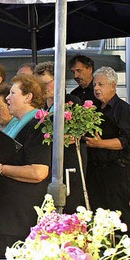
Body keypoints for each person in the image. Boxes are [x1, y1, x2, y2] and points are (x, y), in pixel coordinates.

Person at [0, 74, 51, 258]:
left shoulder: (38, 125)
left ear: (28, 97)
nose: (7, 98)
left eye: (12, 93)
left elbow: (39, 171)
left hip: (21, 216)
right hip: (7, 214)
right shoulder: (15, 125)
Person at [85, 67, 130, 237]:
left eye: (101, 84)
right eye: (94, 84)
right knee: (98, 212)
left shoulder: (123, 109)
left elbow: (128, 140)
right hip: (95, 169)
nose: (96, 88)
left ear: (113, 86)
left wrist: (100, 144)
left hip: (116, 169)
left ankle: (126, 254)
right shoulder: (94, 109)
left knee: (118, 213)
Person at [33, 62, 85, 213]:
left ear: (59, 81)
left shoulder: (71, 101)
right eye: (40, 85)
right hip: (48, 165)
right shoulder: (41, 107)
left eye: (47, 83)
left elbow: (71, 135)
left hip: (68, 163)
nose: (44, 88)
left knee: (70, 205)